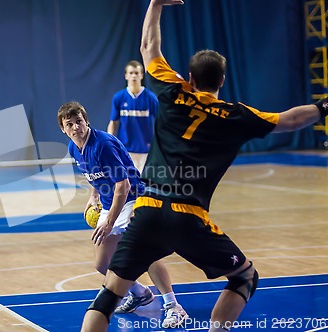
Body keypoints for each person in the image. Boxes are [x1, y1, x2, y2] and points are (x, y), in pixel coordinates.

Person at [81, 1, 328, 331]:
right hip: (188, 217)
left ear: (191, 77)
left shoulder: (171, 90)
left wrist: (155, 4)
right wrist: (325, 106)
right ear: (222, 79)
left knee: (110, 294)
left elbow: (147, 46)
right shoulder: (236, 115)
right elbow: (291, 119)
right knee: (244, 277)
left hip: (148, 208)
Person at [58, 101, 188, 328]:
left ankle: (172, 305)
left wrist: (109, 221)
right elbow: (94, 175)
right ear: (63, 129)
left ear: (86, 120)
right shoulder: (73, 147)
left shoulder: (103, 145)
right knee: (102, 263)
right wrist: (94, 196)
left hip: (133, 199)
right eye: (70, 124)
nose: (76, 127)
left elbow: (123, 186)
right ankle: (139, 293)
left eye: (79, 121)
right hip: (110, 202)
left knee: (144, 252)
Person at [107, 60, 159, 172]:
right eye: (131, 73)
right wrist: (109, 142)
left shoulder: (150, 98)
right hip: (125, 148)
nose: (134, 76)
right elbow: (114, 122)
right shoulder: (119, 97)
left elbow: (160, 121)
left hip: (145, 148)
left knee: (144, 182)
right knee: (127, 183)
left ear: (141, 75)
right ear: (126, 76)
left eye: (136, 73)